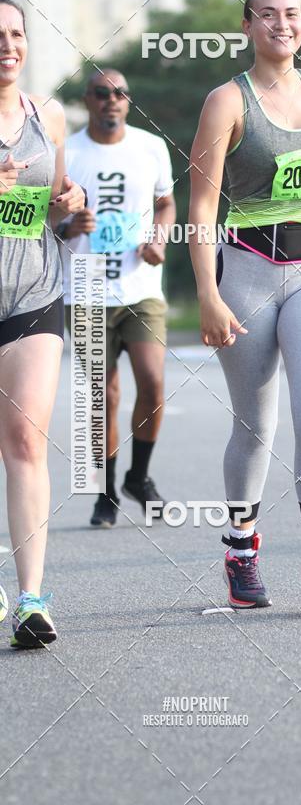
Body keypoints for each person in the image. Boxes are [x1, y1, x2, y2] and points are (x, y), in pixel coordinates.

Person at [188, 0, 301, 609]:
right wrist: (208, 298)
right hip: (247, 270)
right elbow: (203, 206)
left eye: (291, 13)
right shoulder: (226, 101)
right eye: (268, 15)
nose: (282, 25)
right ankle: (241, 552)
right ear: (248, 26)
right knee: (255, 424)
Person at [0, 0, 86, 647]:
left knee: (27, 442)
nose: (8, 45)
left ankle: (32, 599)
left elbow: (55, 213)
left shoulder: (45, 116)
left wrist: (73, 212)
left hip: (34, 296)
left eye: (16, 33)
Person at [58, 69, 176, 529]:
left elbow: (165, 202)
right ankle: (105, 493)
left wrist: (159, 239)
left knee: (152, 384)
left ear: (129, 101)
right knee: (102, 396)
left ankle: (138, 477)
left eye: (121, 93)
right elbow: (47, 218)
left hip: (141, 287)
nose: (112, 100)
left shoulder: (150, 147)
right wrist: (69, 227)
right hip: (84, 284)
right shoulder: (67, 152)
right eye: (102, 94)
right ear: (88, 100)